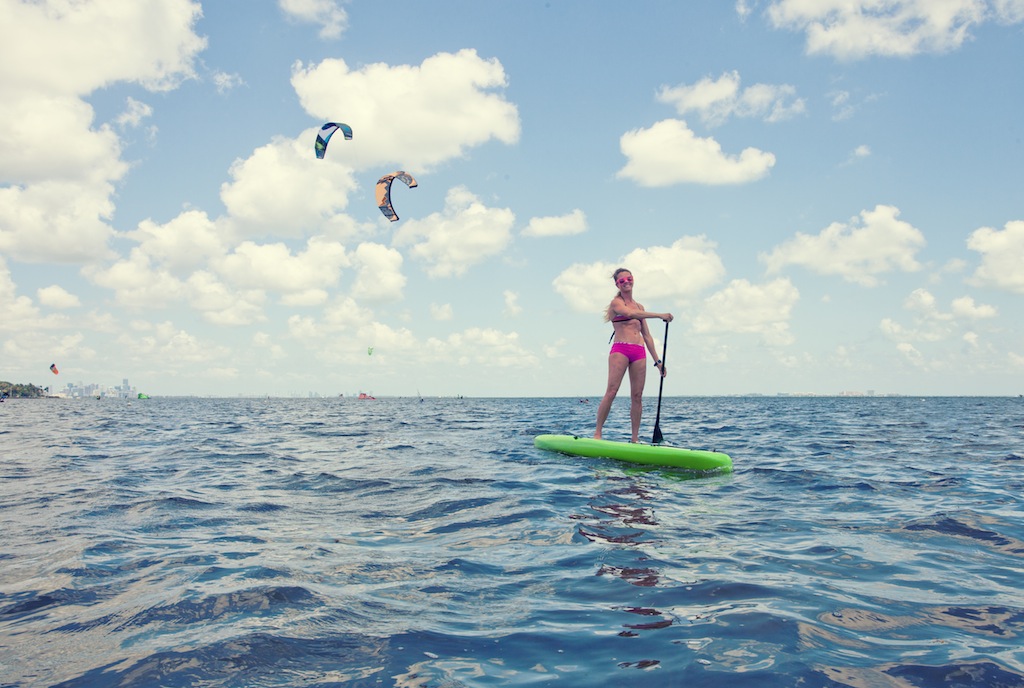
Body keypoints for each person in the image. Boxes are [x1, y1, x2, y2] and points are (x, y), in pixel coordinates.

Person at [594, 268, 673, 443]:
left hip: (639, 352)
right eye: (622, 281)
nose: (626, 282)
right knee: (612, 391)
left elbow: (647, 335)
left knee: (637, 396)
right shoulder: (616, 303)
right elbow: (629, 314)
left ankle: (635, 439)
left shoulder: (640, 307)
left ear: (633, 279)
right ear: (617, 284)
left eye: (629, 278)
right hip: (620, 350)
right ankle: (598, 433)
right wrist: (660, 315)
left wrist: (658, 361)